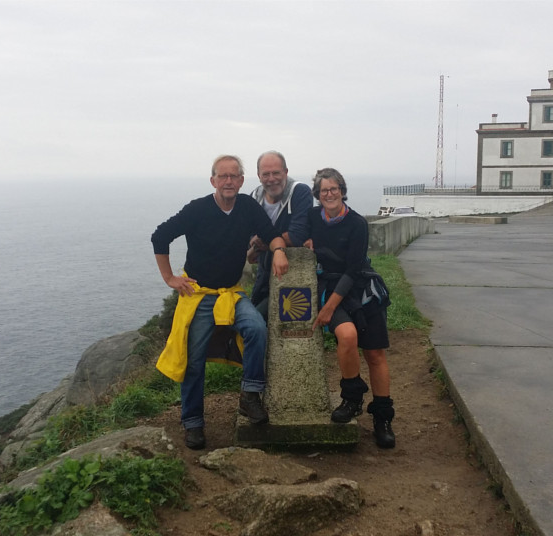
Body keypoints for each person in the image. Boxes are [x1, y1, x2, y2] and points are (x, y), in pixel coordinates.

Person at [151, 155, 290, 450]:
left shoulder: (248, 207)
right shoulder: (198, 209)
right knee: (193, 361)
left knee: (256, 328)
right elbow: (160, 236)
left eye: (234, 176)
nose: (228, 181)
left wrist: (278, 250)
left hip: (229, 293)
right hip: (198, 294)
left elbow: (272, 235)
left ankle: (250, 395)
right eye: (222, 176)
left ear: (241, 181)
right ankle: (193, 423)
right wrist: (170, 278)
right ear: (213, 180)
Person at [304, 168, 396, 449]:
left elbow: (354, 269)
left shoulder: (357, 223)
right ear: (317, 196)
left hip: (360, 288)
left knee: (375, 354)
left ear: (342, 190)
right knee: (346, 336)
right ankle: (353, 398)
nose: (329, 194)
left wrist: (328, 309)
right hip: (329, 286)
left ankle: (383, 418)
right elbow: (293, 234)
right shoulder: (311, 219)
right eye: (324, 191)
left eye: (334, 189)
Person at [247, 150, 313, 320]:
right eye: (266, 174)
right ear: (258, 176)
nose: (271, 179)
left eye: (276, 173)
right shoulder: (255, 197)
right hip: (265, 273)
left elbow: (297, 235)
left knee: (263, 319)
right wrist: (257, 245)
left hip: (294, 273)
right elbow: (249, 238)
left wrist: (263, 243)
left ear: (286, 172)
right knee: (255, 321)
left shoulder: (299, 192)